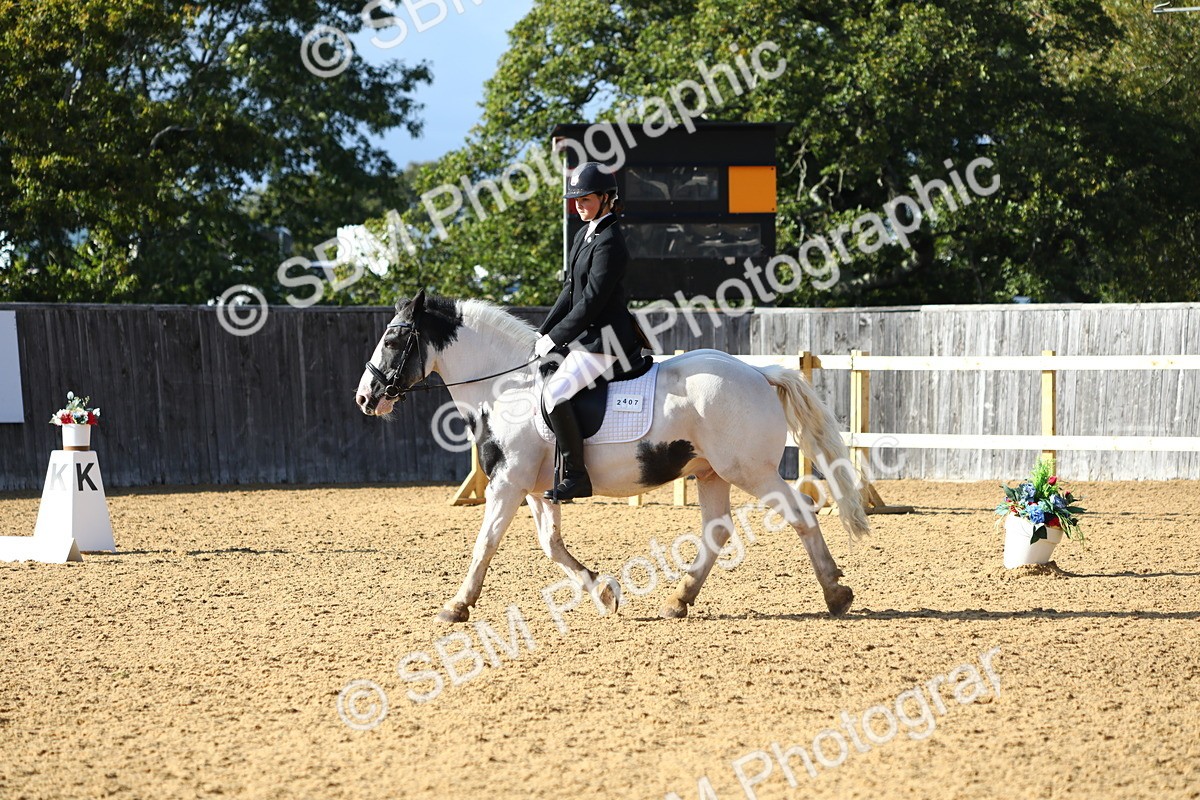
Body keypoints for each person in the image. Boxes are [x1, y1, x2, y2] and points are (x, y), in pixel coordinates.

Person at [534, 161, 645, 502]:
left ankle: (577, 476)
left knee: (555, 394)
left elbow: (592, 301)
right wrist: (542, 332)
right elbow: (570, 291)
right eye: (576, 200)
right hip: (587, 338)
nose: (578, 205)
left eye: (585, 199)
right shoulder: (586, 233)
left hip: (606, 341)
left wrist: (556, 338)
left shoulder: (610, 241)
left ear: (606, 198)